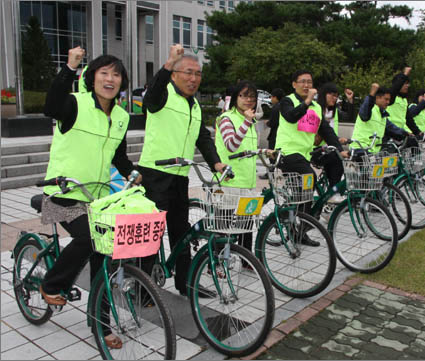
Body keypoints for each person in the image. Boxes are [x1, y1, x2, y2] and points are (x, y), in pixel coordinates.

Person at [40, 46, 139, 349]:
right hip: (61, 195)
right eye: (104, 73)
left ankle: (101, 324)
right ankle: (51, 283)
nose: (110, 79)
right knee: (90, 240)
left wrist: (134, 174)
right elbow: (51, 106)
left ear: (122, 82)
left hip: (96, 200)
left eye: (116, 74)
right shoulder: (74, 104)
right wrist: (69, 68)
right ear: (92, 77)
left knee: (104, 259)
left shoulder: (121, 116)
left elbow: (118, 156)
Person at [138, 44, 226, 297]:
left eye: (198, 74)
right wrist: (167, 64)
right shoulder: (163, 93)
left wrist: (216, 163)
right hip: (155, 175)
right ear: (174, 73)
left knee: (182, 232)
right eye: (188, 72)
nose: (193, 78)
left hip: (179, 177)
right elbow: (150, 98)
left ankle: (186, 284)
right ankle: (142, 290)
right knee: (152, 233)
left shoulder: (194, 105)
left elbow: (203, 138)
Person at [275, 70, 347, 246]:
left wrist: (339, 149)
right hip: (287, 153)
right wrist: (307, 102)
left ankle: (300, 229)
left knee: (308, 190)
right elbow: (291, 117)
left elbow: (326, 130)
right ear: (294, 84)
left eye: (309, 82)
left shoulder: (316, 108)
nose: (307, 85)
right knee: (310, 179)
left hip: (304, 154)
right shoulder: (287, 101)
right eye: (303, 82)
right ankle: (299, 221)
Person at [215, 80, 260, 256]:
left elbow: (249, 150)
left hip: (248, 181)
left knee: (246, 224)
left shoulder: (249, 120)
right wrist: (247, 121)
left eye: (253, 97)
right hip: (228, 181)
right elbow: (231, 145)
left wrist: (266, 151)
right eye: (244, 96)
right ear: (235, 98)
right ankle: (216, 261)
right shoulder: (226, 118)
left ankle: (246, 260)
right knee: (223, 225)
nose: (249, 100)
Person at [314, 83, 353, 203]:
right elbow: (320, 132)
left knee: (342, 158)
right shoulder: (316, 109)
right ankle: (333, 193)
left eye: (336, 96)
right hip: (316, 149)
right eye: (331, 95)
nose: (334, 98)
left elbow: (348, 116)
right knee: (337, 159)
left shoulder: (333, 111)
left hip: (331, 146)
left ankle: (330, 202)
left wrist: (350, 101)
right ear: (324, 95)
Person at [350, 83, 409, 155]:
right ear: (377, 97)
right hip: (360, 149)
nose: (388, 102)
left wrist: (407, 134)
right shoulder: (370, 110)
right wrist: (371, 95)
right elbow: (365, 112)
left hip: (373, 153)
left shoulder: (382, 115)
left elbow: (393, 129)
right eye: (386, 99)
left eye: (389, 100)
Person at [259, 88, 284, 180]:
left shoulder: (275, 108)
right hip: (283, 134)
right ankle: (284, 172)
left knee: (271, 154)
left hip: (274, 134)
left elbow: (273, 123)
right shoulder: (285, 107)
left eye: (271, 97)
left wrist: (267, 123)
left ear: (275, 97)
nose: (271, 99)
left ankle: (270, 173)